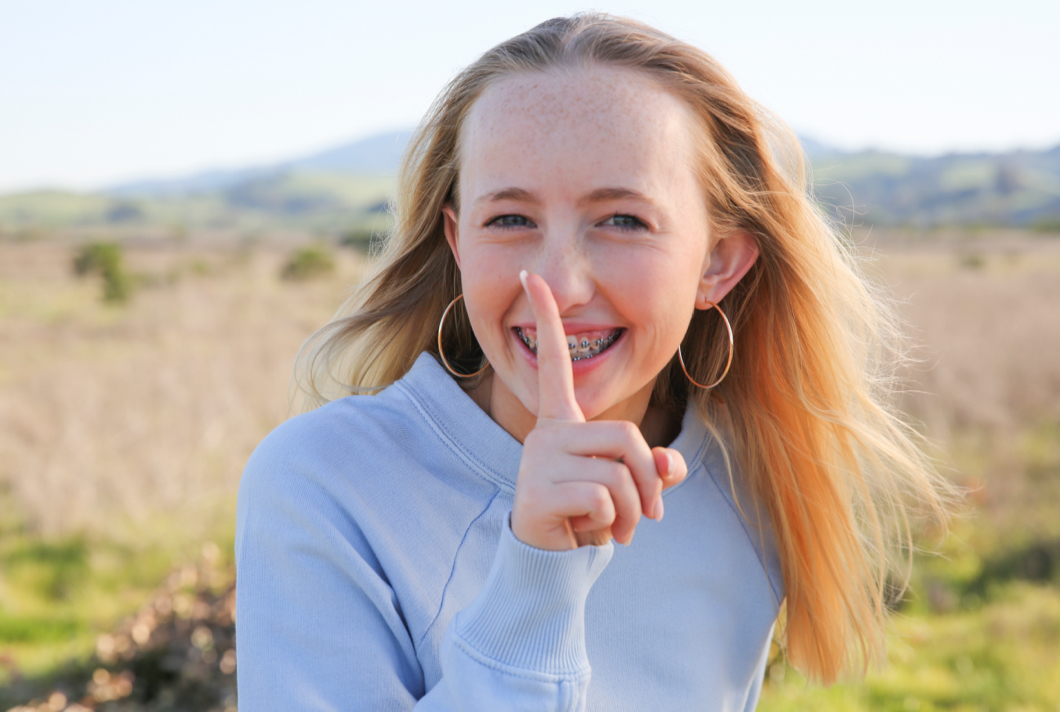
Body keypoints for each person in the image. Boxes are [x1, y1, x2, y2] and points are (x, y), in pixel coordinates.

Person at [235, 13, 955, 711]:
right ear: (458, 244)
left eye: (622, 221)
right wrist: (536, 577)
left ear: (718, 263)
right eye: (511, 220)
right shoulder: (326, 481)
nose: (559, 284)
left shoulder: (748, 478)